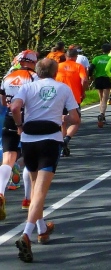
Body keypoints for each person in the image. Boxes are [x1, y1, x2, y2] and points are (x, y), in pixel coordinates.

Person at [11, 58, 80, 263]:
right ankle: (26, 233)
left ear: (38, 71)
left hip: (29, 140)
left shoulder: (27, 87)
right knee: (40, 191)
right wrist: (64, 118)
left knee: (35, 188)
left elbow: (14, 107)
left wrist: (20, 125)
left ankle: (42, 230)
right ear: (55, 72)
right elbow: (76, 119)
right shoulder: (63, 88)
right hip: (50, 140)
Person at [0, 51, 39, 217]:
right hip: (28, 119)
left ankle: (1, 192)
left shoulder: (7, 77)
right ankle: (27, 199)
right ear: (32, 62)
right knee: (31, 158)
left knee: (8, 158)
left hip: (10, 118)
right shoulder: (35, 77)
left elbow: (3, 102)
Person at [55, 48, 88, 157]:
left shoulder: (58, 66)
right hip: (74, 97)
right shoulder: (79, 66)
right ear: (76, 57)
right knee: (76, 121)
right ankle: (66, 139)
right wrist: (83, 92)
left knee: (62, 121)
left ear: (66, 56)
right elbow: (84, 80)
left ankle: (61, 145)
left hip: (59, 97)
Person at [90, 43, 111, 128]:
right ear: (110, 50)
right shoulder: (110, 59)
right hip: (107, 78)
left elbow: (91, 68)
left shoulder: (96, 58)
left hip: (98, 79)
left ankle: (102, 114)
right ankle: (102, 114)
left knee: (101, 98)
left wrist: (90, 76)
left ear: (101, 50)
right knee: (105, 98)